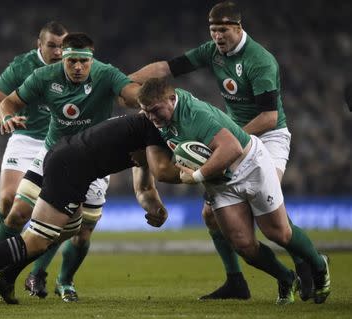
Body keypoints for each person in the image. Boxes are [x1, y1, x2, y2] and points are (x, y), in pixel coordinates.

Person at [130, 1, 313, 301]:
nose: (217, 36)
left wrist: (228, 138)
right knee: (211, 215)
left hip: (267, 136)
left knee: (267, 210)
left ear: (239, 28)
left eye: (223, 30)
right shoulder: (212, 52)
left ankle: (305, 261)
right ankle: (236, 281)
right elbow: (166, 68)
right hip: (230, 135)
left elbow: (269, 117)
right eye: (213, 30)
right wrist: (128, 81)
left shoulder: (259, 61)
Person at [0, 113, 178, 308]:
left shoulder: (143, 128)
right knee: (37, 239)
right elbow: (162, 172)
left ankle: (5, 278)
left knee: (69, 229)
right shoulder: (154, 132)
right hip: (70, 167)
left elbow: (145, 185)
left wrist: (156, 207)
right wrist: (198, 173)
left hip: (72, 162)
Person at [0, 32, 145, 303]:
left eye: (83, 62)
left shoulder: (106, 74)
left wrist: (150, 100)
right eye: (72, 62)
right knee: (18, 212)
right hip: (52, 154)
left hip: (93, 161)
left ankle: (64, 280)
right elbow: (8, 102)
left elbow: (130, 93)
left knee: (82, 233)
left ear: (92, 60)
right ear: (62, 60)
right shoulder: (44, 76)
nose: (78, 67)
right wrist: (7, 116)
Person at [137, 77, 331, 305]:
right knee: (244, 245)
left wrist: (197, 176)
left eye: (155, 111)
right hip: (220, 182)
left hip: (250, 166)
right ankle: (286, 278)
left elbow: (232, 148)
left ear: (172, 100)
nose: (151, 117)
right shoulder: (160, 113)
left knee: (279, 233)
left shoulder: (194, 115)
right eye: (146, 112)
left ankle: (319, 266)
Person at [0, 21, 68, 298]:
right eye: (52, 46)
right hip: (26, 137)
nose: (59, 52)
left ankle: (30, 274)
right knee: (8, 201)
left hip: (59, 143)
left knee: (59, 215)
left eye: (62, 46)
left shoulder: (76, 65)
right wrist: (6, 117)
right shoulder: (23, 66)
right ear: (40, 45)